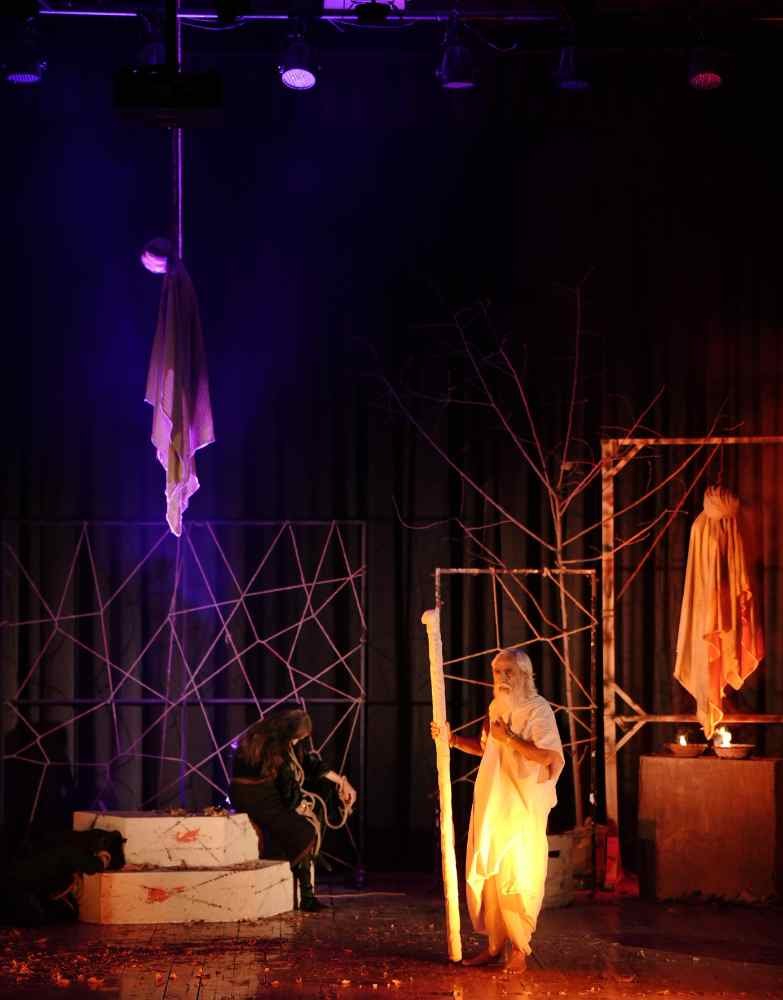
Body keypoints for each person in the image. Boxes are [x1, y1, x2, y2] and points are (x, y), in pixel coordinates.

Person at [431, 648, 564, 972]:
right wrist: (452, 740)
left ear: (525, 675)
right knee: (490, 877)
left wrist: (509, 738)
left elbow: (547, 756)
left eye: (509, 672)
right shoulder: (496, 707)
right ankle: (494, 945)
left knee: (517, 876)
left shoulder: (538, 709)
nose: (502, 678)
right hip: (492, 803)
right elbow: (488, 749)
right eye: (497, 672)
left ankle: (520, 948)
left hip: (521, 807)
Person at [230, 706, 357, 912]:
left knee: (319, 796)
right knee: (303, 830)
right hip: (255, 796)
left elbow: (308, 762)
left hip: (264, 791)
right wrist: (301, 806)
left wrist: (341, 782)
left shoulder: (279, 740)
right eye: (298, 738)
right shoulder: (274, 748)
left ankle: (307, 882)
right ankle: (307, 897)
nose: (298, 742)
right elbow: (288, 789)